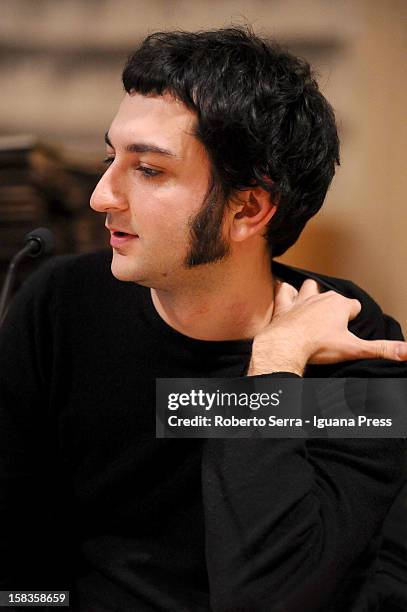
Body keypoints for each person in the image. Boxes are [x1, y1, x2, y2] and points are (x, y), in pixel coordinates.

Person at [0, 27, 406, 612]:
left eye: (149, 170)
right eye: (111, 156)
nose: (100, 196)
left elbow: (275, 595)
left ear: (247, 208)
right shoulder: (61, 305)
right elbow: (19, 560)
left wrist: (273, 370)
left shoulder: (357, 341)